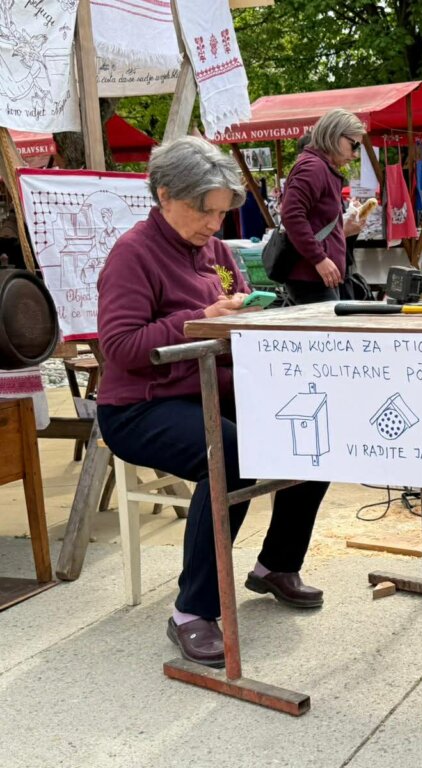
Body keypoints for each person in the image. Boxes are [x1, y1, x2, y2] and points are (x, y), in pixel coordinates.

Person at [96, 136, 331, 669]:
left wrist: (248, 315)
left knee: (312, 431)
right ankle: (193, 610)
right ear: (164, 194)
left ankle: (275, 565)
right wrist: (201, 319)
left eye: (222, 213)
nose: (214, 225)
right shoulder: (133, 253)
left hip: (213, 390)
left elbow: (233, 314)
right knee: (230, 454)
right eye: (205, 211)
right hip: (141, 405)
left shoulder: (218, 252)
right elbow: (122, 346)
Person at [280, 108, 365, 305]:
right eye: (354, 145)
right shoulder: (314, 167)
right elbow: (291, 215)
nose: (355, 154)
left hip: (317, 277)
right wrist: (319, 259)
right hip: (311, 278)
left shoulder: (319, 166)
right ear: (335, 135)